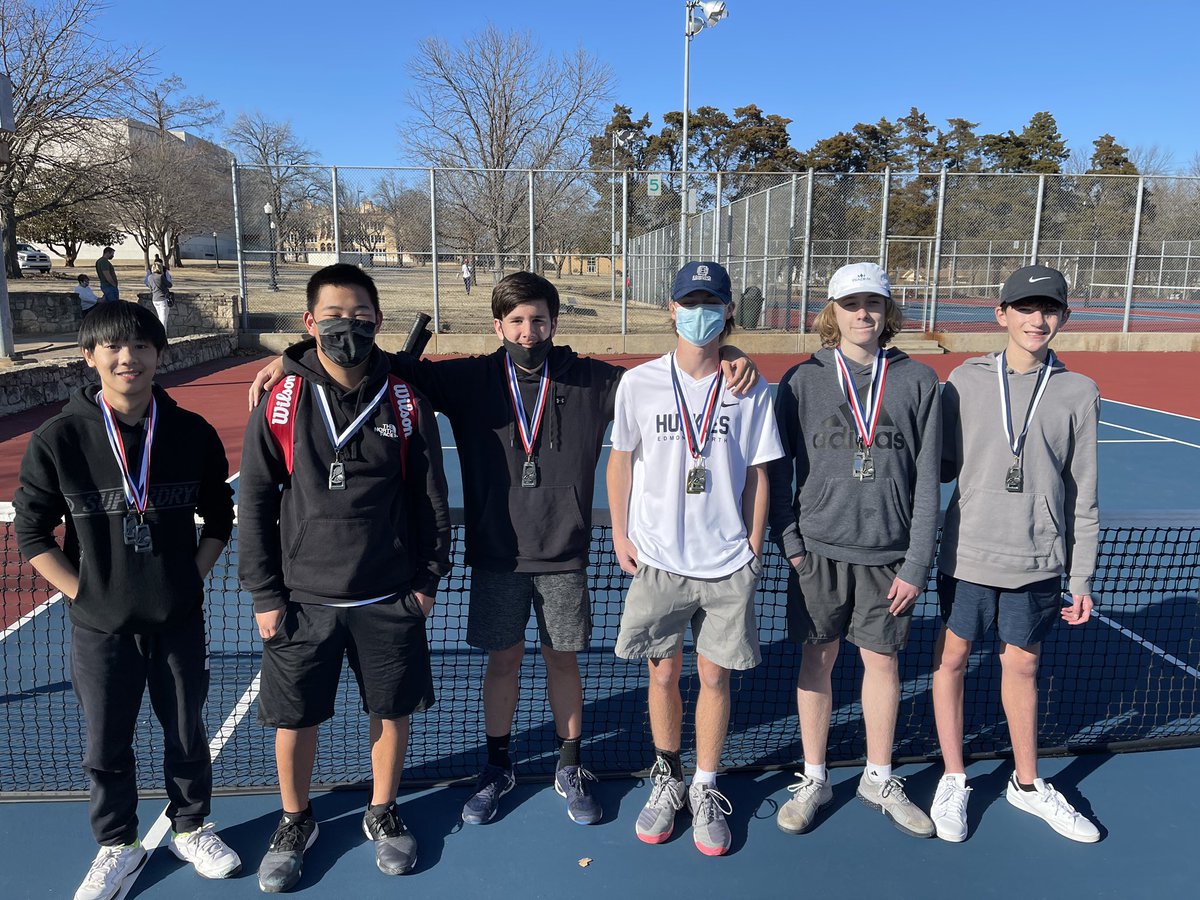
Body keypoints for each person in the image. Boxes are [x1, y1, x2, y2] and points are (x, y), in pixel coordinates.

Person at [246, 271, 759, 831]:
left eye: (538, 319)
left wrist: (728, 349)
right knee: (504, 663)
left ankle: (571, 764)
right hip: (497, 556)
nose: (528, 330)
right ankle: (497, 766)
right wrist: (295, 356)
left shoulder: (592, 380)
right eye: (515, 320)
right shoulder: (470, 380)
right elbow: (374, 357)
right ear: (498, 325)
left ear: (554, 322)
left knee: (563, 661)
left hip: (564, 555)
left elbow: (672, 381)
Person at [13, 301, 240, 900]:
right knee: (105, 744)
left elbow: (219, 515)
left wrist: (190, 576)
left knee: (186, 732)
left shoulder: (190, 433)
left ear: (159, 354)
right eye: (113, 347)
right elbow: (32, 534)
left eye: (141, 346)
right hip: (100, 628)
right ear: (90, 358)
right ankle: (118, 844)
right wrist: (88, 594)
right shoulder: (58, 438)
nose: (127, 358)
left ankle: (191, 828)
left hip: (178, 620)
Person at [238, 263, 451, 892]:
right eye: (332, 316)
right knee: (294, 720)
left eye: (360, 317)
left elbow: (430, 498)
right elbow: (252, 499)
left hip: (389, 596)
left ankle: (382, 811)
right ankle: (296, 820)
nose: (346, 327)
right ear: (309, 323)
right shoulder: (281, 399)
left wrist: (427, 581)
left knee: (390, 713)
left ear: (379, 321)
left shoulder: (407, 399)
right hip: (303, 602)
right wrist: (265, 593)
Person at [608, 261, 783, 856]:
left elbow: (760, 474)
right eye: (690, 301)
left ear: (730, 311)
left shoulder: (750, 388)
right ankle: (667, 776)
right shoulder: (638, 383)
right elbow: (621, 460)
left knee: (714, 676)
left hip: (728, 561)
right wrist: (621, 534)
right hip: (658, 559)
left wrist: (754, 546)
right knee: (662, 672)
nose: (700, 312)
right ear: (671, 308)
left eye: (712, 302)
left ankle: (705, 784)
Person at [768, 262, 941, 840]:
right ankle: (815, 776)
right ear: (831, 311)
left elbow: (925, 483)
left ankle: (878, 775)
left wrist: (916, 563)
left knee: (882, 664)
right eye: (850, 303)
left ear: (888, 312)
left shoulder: (918, 379)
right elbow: (777, 470)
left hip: (889, 558)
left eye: (873, 303)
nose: (862, 313)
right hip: (818, 554)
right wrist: (792, 545)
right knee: (817, 660)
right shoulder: (802, 379)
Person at [929, 264, 1100, 844]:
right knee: (951, 661)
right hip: (967, 554)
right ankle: (954, 778)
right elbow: (940, 467)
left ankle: (1026, 785)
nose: (1037, 319)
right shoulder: (965, 381)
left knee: (1021, 666)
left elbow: (1082, 490)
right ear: (1000, 314)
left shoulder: (1079, 392)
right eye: (1025, 308)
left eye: (1049, 309)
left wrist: (1081, 574)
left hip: (1037, 560)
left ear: (1064, 318)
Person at [144, 261, 173, 329]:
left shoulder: (150, 277)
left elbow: (150, 289)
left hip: (155, 299)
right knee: (163, 320)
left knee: (160, 317)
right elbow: (169, 285)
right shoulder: (161, 277)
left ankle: (161, 335)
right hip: (163, 299)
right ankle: (163, 337)